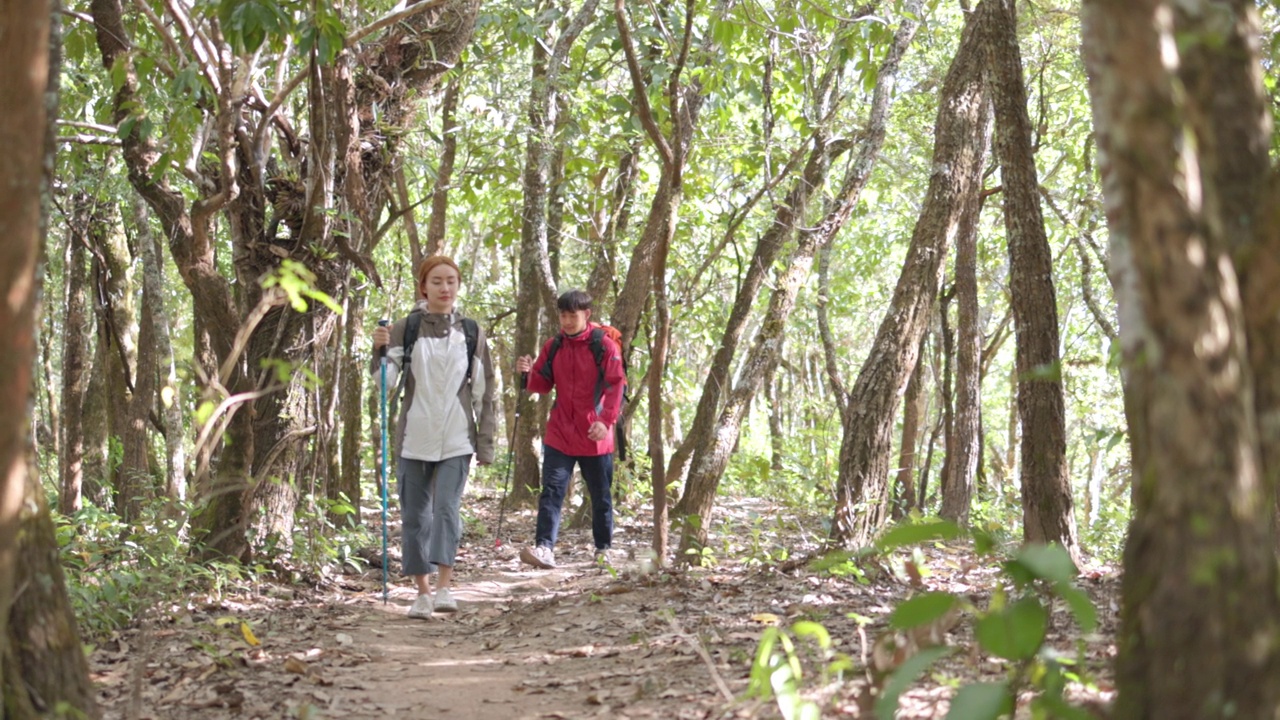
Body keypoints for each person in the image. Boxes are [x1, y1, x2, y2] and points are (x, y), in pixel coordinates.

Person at [371, 255, 496, 619]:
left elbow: (485, 392)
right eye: (437, 281)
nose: (445, 288)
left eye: (451, 281)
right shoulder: (405, 328)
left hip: (457, 436)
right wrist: (379, 350)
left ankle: (444, 587)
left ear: (458, 286)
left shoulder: (471, 331)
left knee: (446, 510)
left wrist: (485, 443)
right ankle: (421, 591)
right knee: (415, 516)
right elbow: (386, 384)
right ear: (424, 286)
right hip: (415, 435)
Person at [514, 289, 626, 569]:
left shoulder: (604, 346)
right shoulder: (554, 346)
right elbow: (542, 384)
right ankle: (544, 548)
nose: (566, 321)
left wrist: (605, 421)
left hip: (595, 433)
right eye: (562, 315)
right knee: (551, 490)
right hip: (561, 431)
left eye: (572, 315)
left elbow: (616, 384)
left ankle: (603, 549)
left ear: (586, 315)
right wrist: (527, 374)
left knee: (600, 493)